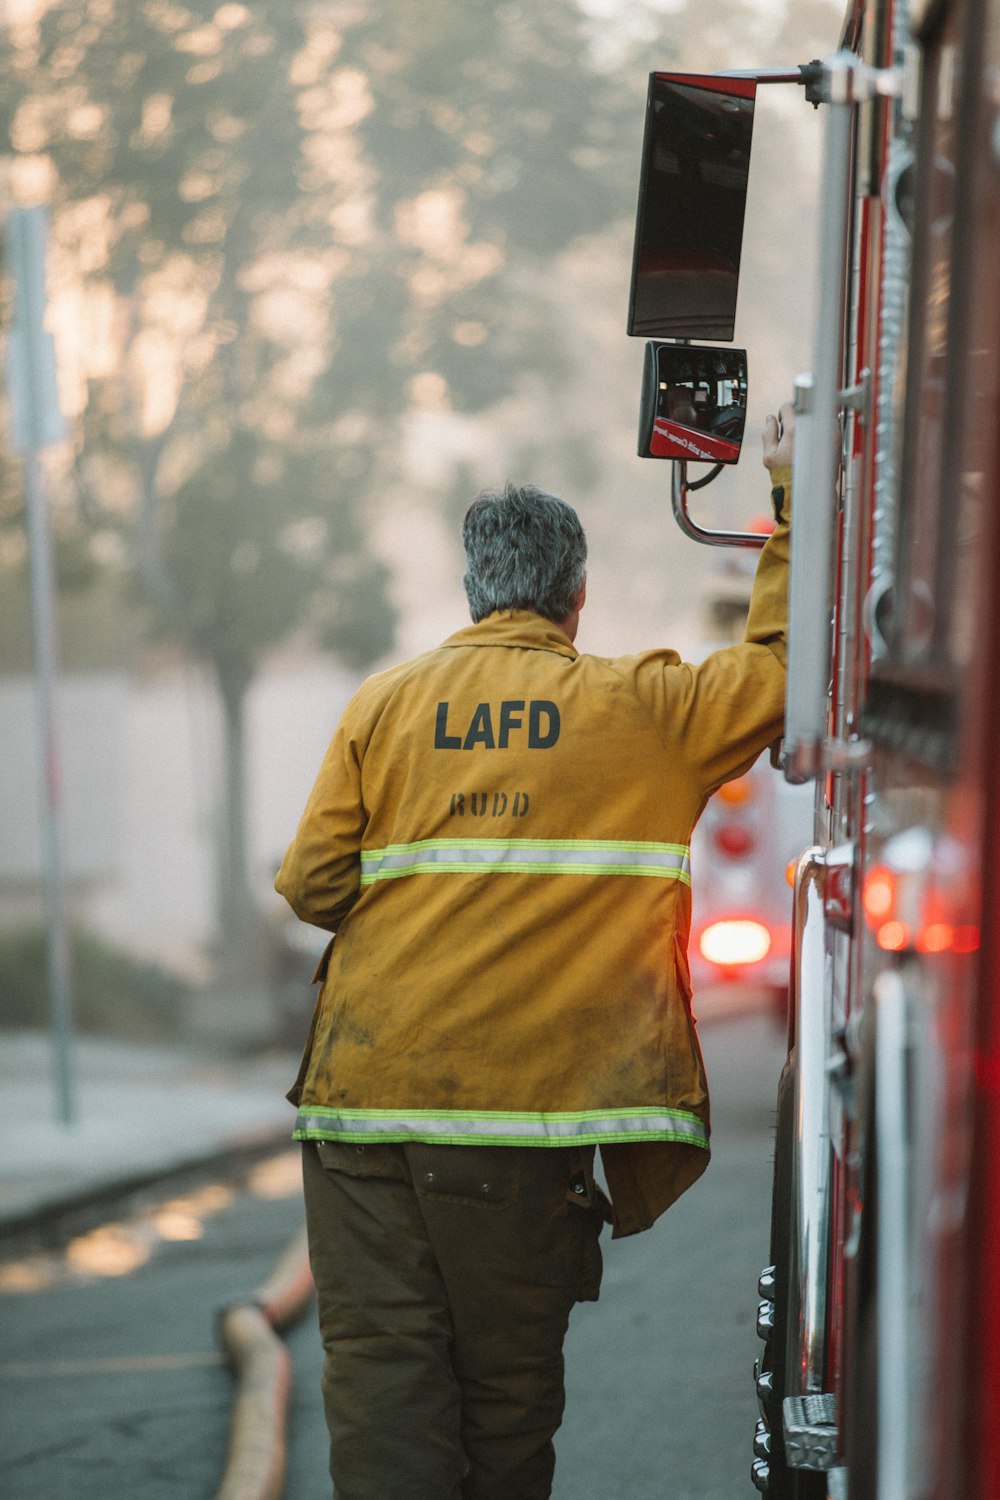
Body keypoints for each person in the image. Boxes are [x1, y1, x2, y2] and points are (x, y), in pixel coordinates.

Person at [275, 403, 795, 1500]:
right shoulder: (641, 709)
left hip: (359, 1115)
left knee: (379, 1386)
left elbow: (312, 885)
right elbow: (779, 667)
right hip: (515, 1130)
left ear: (474, 588)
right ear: (577, 594)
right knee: (505, 1402)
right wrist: (794, 503)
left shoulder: (387, 704)